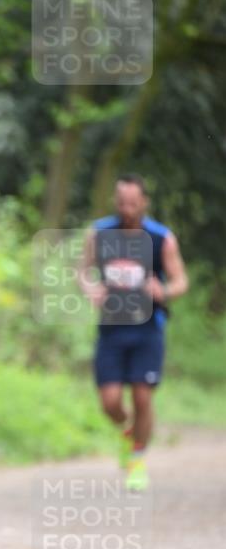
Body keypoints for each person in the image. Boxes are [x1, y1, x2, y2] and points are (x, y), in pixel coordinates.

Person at [80, 174, 188, 490]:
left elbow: (181, 281)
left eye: (133, 202)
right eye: (121, 202)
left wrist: (163, 290)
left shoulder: (161, 237)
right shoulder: (99, 233)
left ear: (144, 202)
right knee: (110, 402)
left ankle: (137, 458)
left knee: (143, 397)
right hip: (111, 328)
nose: (127, 208)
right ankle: (129, 432)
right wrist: (91, 289)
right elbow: (83, 271)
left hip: (147, 330)